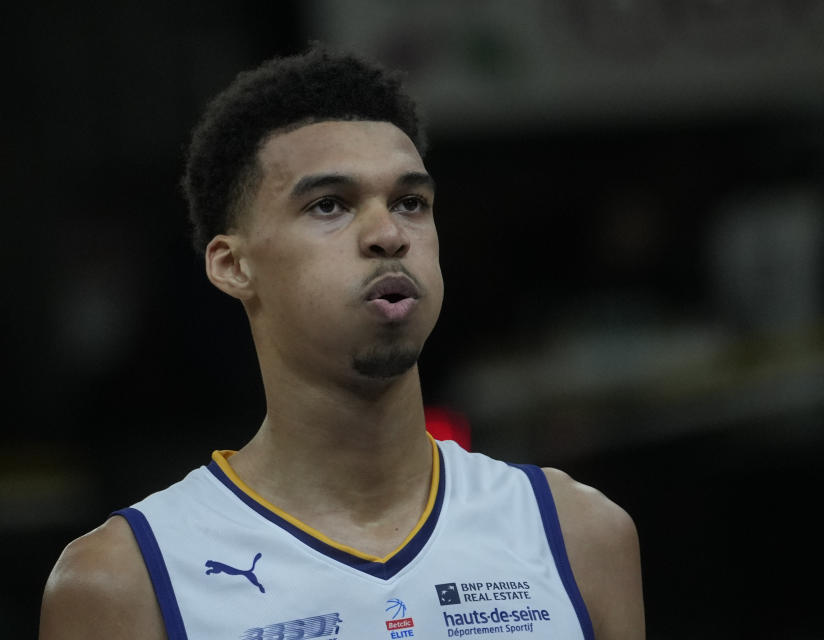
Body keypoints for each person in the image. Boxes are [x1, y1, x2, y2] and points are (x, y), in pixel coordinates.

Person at [39, 46, 645, 640]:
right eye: (330, 205)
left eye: (411, 202)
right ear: (232, 266)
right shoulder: (123, 581)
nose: (388, 234)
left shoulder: (578, 533)